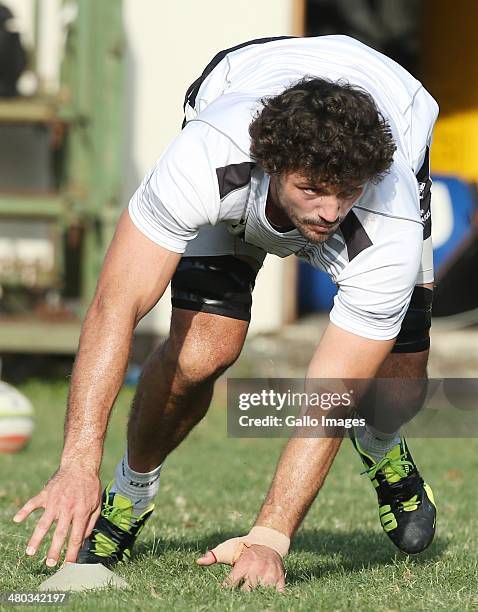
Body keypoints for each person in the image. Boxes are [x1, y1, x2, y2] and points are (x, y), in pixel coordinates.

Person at [13, 35, 438, 591]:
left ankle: (380, 444)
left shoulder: (389, 214)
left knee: (398, 391)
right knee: (201, 353)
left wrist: (270, 537)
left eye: (346, 192)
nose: (331, 212)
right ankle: (130, 495)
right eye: (311, 190)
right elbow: (116, 305)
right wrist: (77, 460)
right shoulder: (207, 155)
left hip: (397, 110)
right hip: (245, 79)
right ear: (271, 166)